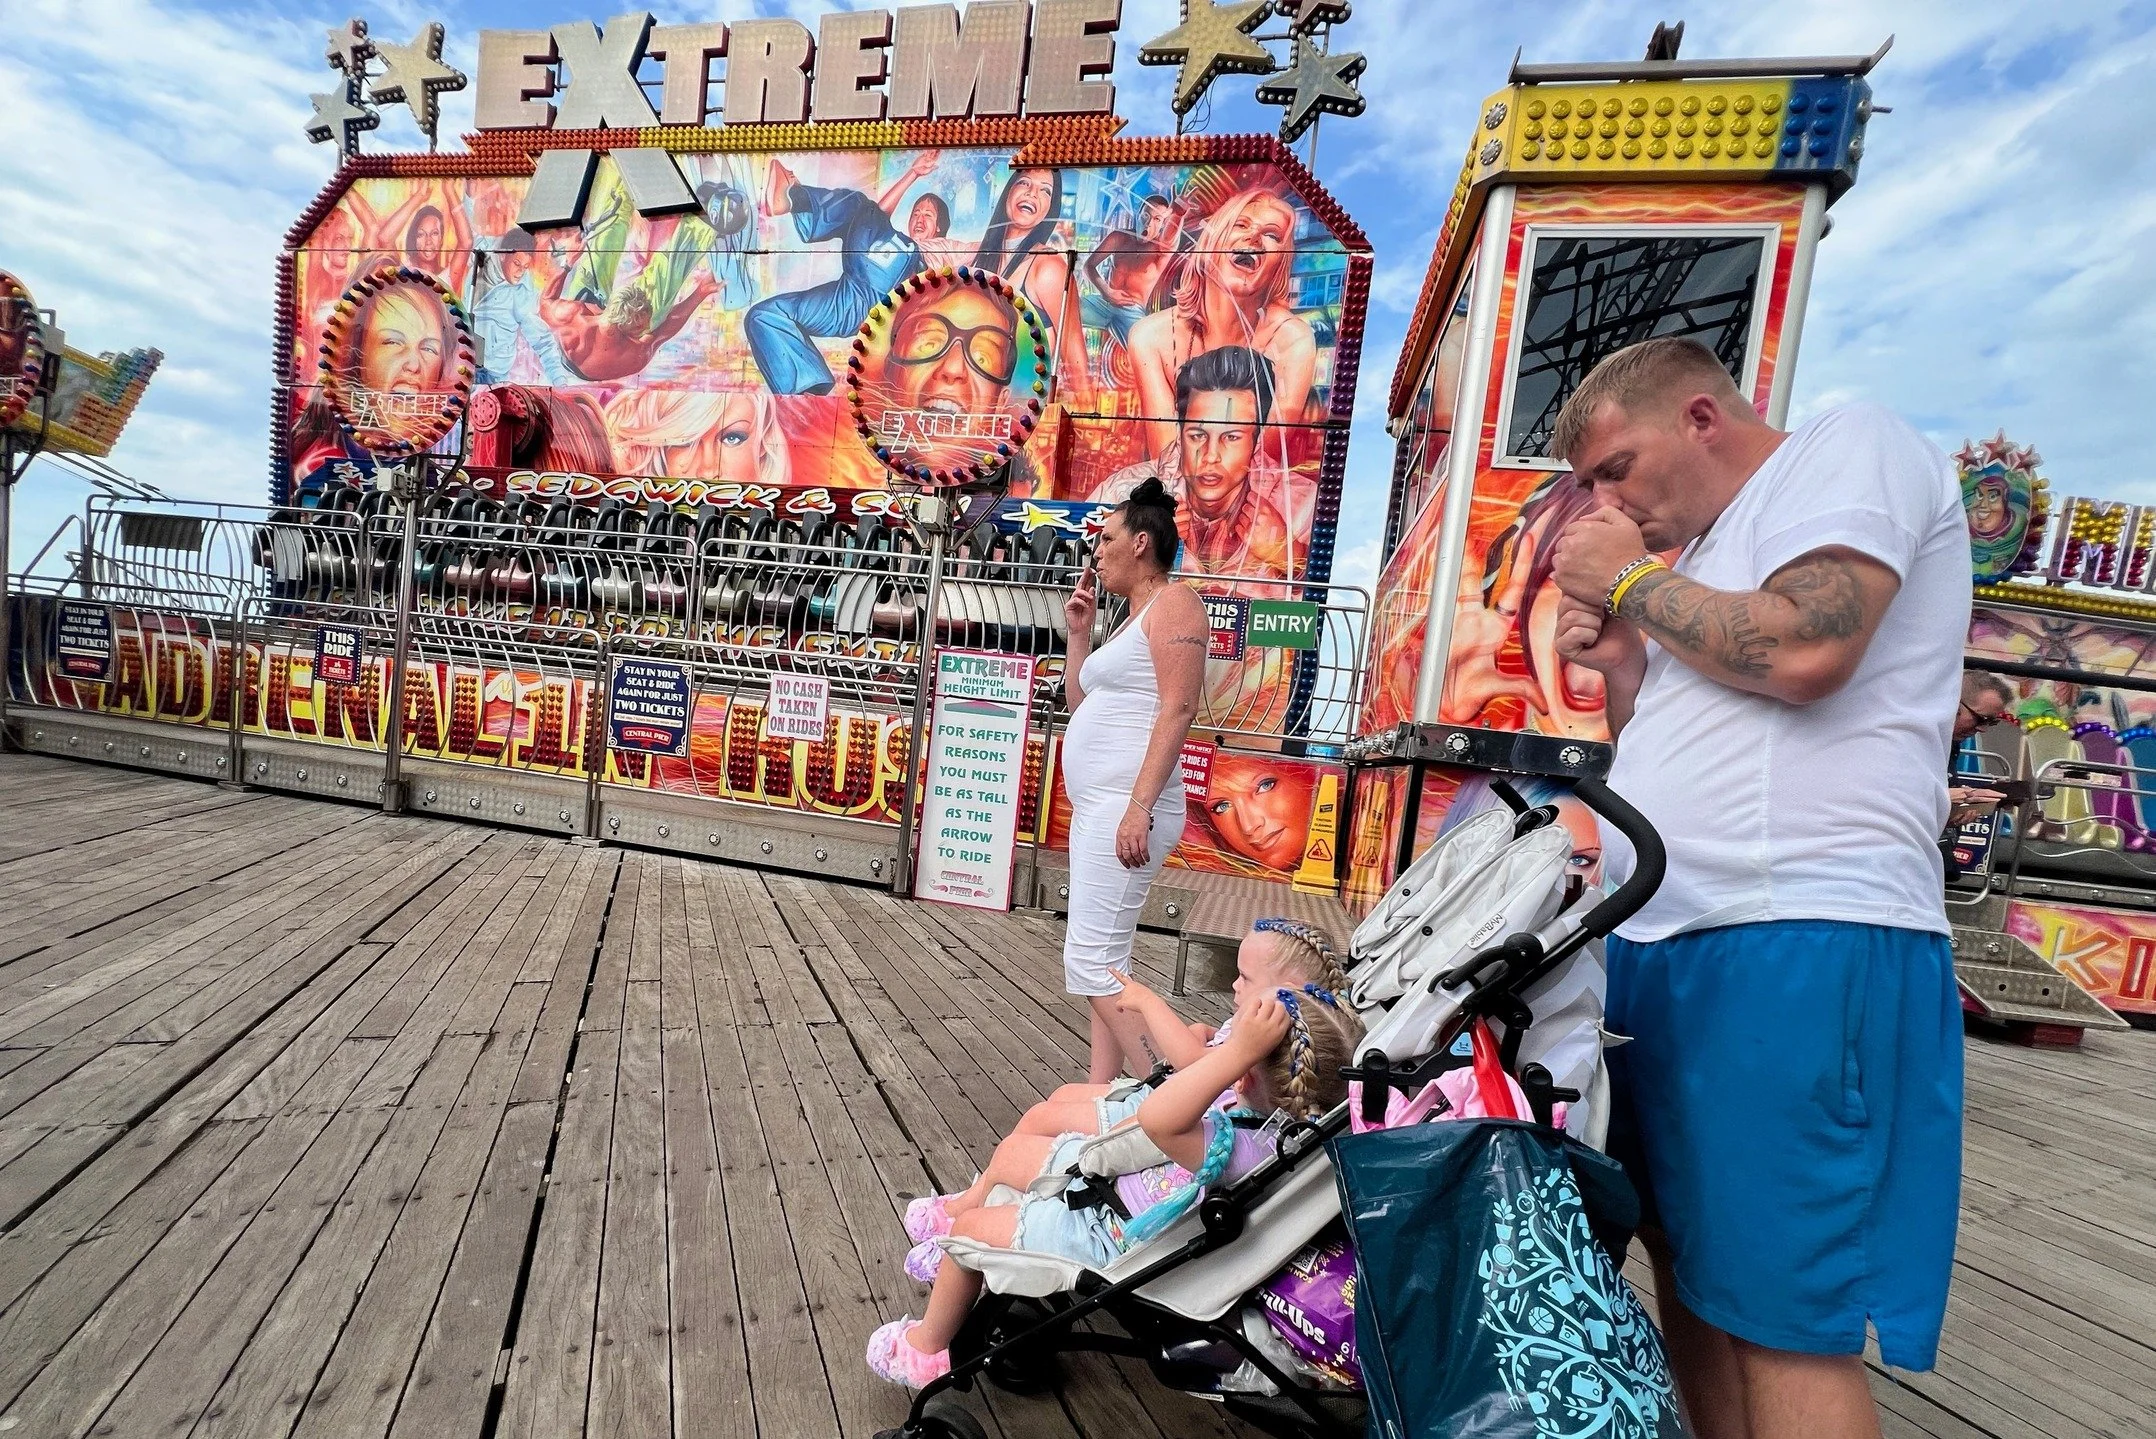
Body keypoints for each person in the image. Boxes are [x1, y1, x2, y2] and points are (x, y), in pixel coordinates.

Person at [1545, 337, 1969, 1439]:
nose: (1605, 501)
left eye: (1613, 468)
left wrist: (1629, 580)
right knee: (1689, 1266)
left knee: (1782, 1307)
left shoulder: (1846, 445)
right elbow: (1683, 744)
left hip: (1800, 929)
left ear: (1698, 415)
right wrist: (1628, 664)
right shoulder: (1715, 547)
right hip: (1668, 936)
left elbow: (1803, 648)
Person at [866, 983, 1364, 1388]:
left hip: (1110, 1240)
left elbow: (1157, 1117)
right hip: (1115, 1211)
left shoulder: (1237, 1150)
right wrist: (1237, 1057)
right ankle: (962, 1276)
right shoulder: (1278, 1140)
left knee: (969, 1235)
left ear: (1240, 1078)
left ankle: (927, 1350)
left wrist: (1236, 1052)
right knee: (1016, 1164)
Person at [947, 918, 1351, 1155]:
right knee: (1059, 1098)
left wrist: (1149, 1002)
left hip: (1173, 1114)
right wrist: (1208, 1032)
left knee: (1041, 1118)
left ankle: (990, 1196)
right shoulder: (1265, 1029)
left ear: (1291, 988)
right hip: (1168, 1103)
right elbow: (1211, 1048)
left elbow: (1192, 1062)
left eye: (1245, 977)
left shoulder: (1265, 1043)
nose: (1234, 985)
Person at [1060, 479, 1209, 1083]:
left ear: (1141, 543)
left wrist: (1138, 808)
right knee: (1109, 959)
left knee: (1088, 958)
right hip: (1106, 806)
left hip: (1129, 807)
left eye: (1107, 538)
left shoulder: (1177, 604)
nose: (1097, 550)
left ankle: (1158, 1085)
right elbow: (1079, 702)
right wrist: (1078, 633)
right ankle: (1104, 1093)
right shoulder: (1131, 618)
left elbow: (1178, 709)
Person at [1091, 346, 1311, 582]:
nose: (1211, 455)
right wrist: (1148, 547)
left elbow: (1335, 598)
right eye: (1197, 435)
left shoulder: (1302, 505)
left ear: (1257, 439)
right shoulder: (1121, 492)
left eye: (1231, 437)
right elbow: (1073, 569)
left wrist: (1292, 556)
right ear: (1180, 430)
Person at [1127, 187, 1314, 458]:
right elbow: (1166, 461)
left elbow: (1264, 466)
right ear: (1212, 240)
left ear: (1280, 262)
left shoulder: (1292, 341)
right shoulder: (1151, 336)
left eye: (1271, 235)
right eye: (1241, 224)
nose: (1254, 238)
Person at [743, 152, 946, 394]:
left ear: (940, 228)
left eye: (928, 215)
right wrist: (913, 173)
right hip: (848, 290)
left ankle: (797, 196)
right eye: (916, 213)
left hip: (874, 303)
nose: (920, 219)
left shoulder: (942, 250)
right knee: (763, 315)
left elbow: (983, 249)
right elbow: (879, 213)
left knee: (863, 208)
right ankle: (808, 389)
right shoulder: (893, 237)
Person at [1443, 471, 1609, 738]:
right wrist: (1445, 726)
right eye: (1565, 575)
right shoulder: (1486, 776)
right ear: (1526, 611)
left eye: (1632, 575)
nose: (1596, 601)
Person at [972, 167, 1093, 407]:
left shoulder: (1048, 268)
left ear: (1051, 209)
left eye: (1045, 190)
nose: (1032, 193)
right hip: (973, 414)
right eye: (1024, 183)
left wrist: (1086, 428)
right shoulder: (976, 259)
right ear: (1008, 192)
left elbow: (1078, 367)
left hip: (1024, 424)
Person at [471, 232, 570, 386]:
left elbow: (543, 341)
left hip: (492, 373)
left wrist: (559, 381)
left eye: (525, 267)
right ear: (503, 255)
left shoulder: (522, 292)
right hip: (463, 363)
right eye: (517, 264)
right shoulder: (480, 255)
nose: (520, 272)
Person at [1948, 671, 2014, 827]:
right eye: (1981, 719)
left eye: (1992, 722)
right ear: (1954, 704)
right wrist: (1945, 799)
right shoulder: (1911, 741)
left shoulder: (1951, 744)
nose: (1983, 729)